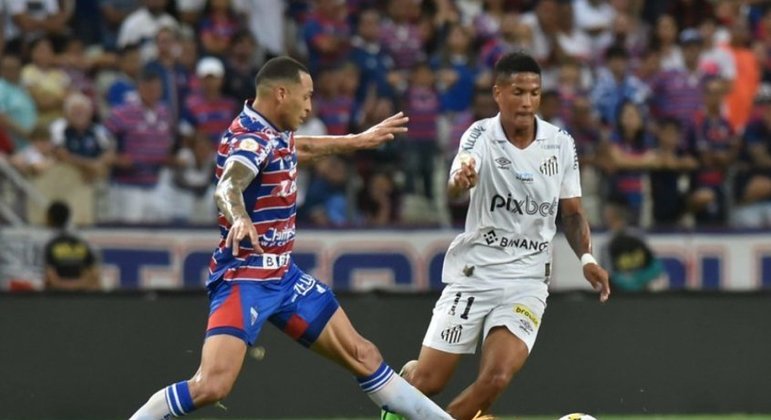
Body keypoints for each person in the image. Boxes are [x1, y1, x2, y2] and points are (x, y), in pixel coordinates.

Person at [129, 56, 453, 420]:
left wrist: (357, 140)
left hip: (284, 277)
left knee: (364, 355)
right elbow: (228, 186)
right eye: (307, 96)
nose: (310, 106)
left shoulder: (272, 131)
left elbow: (301, 147)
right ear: (282, 94)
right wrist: (240, 217)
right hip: (245, 278)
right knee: (211, 386)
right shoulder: (251, 139)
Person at [382, 52, 610, 420]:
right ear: (498, 93)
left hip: (527, 281)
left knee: (496, 378)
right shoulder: (480, 135)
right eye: (518, 92)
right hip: (475, 275)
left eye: (534, 93)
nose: (527, 102)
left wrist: (587, 258)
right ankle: (409, 382)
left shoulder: (560, 143)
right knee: (428, 382)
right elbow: (458, 177)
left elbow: (571, 213)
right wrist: (461, 179)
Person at [43, 201, 100, 291]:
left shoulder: (50, 245)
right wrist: (79, 285)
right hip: (80, 295)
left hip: (58, 296)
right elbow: (95, 277)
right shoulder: (82, 243)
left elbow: (50, 280)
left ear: (50, 218)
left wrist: (65, 286)